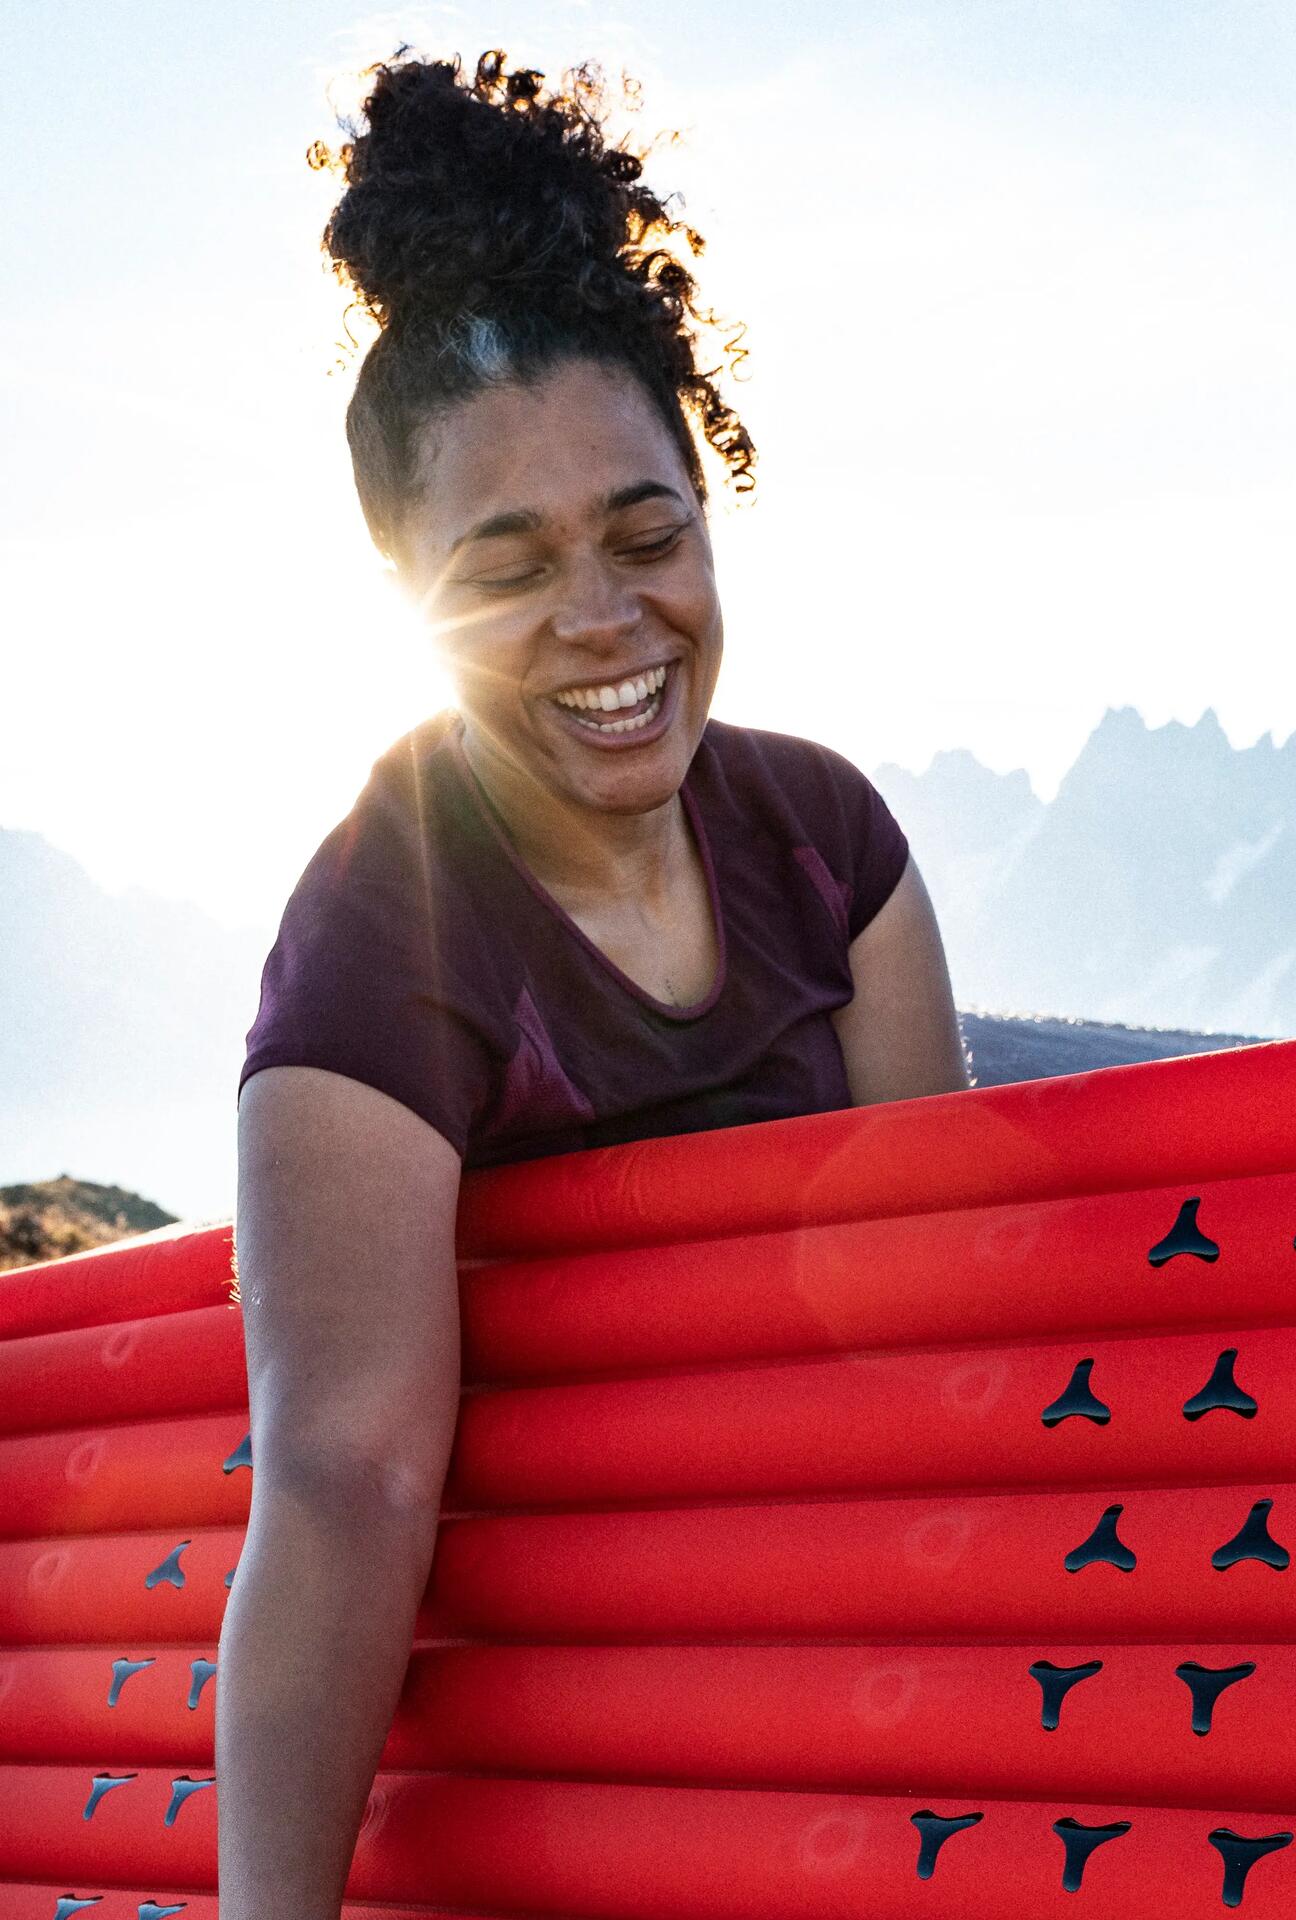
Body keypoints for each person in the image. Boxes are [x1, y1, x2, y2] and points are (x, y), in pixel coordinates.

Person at [217, 49, 970, 1920]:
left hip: (859, 1662)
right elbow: (345, 1479)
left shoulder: (827, 843)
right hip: (608, 1726)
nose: (606, 623)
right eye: (511, 571)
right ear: (401, 583)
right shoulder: (378, 944)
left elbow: (945, 1292)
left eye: (649, 537)